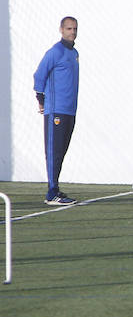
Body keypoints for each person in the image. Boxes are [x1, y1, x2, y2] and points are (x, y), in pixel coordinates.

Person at [33, 16, 80, 205]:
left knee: (62, 151)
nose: (72, 32)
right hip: (56, 110)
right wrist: (41, 99)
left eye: (75, 28)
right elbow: (39, 75)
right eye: (69, 28)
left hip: (70, 110)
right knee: (54, 151)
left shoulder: (74, 53)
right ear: (61, 30)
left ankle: (56, 188)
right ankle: (52, 192)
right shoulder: (55, 52)